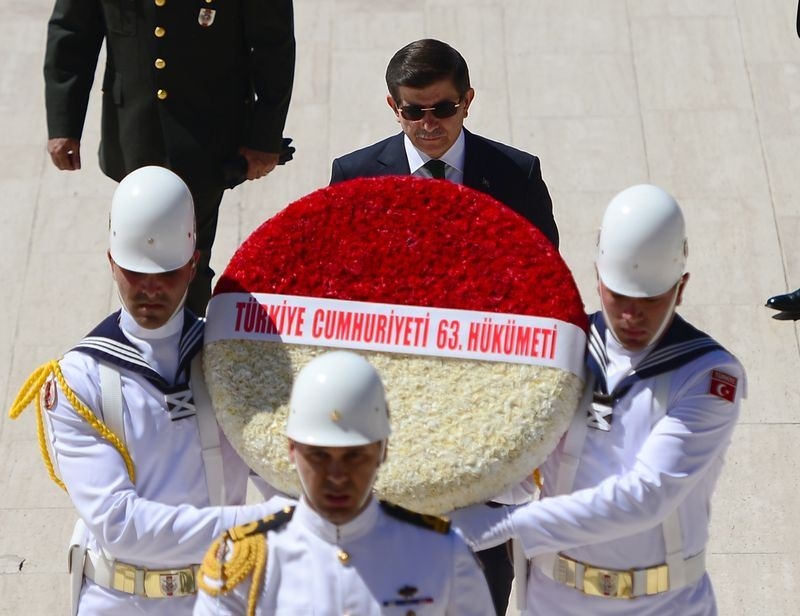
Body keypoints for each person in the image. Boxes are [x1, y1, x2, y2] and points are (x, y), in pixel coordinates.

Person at [449, 184, 746, 615]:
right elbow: (526, 472)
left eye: (649, 300)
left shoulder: (707, 375)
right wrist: (459, 485)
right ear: (598, 277)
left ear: (680, 288)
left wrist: (505, 523)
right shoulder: (564, 347)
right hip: (554, 599)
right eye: (618, 295)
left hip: (662, 604)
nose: (630, 315)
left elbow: (646, 496)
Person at [8, 166, 291, 615]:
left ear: (194, 264)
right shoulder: (77, 380)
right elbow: (120, 525)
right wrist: (259, 521)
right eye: (135, 272)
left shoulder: (232, 364)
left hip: (221, 595)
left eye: (167, 272)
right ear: (111, 262)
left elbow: (285, 477)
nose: (150, 288)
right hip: (118, 602)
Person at [193, 350, 495, 615]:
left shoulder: (440, 553)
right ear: (292, 450)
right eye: (319, 456)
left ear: (383, 450)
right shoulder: (243, 564)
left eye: (354, 456)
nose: (337, 475)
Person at [44, 0, 296, 314]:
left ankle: (188, 339)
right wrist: (64, 122)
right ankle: (143, 338)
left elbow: (273, 43)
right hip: (133, 128)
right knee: (134, 257)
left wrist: (264, 137)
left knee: (188, 259)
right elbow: (73, 29)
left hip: (206, 133)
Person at [330, 38, 559, 249]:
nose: (429, 125)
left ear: (466, 101)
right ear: (395, 108)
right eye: (414, 112)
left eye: (443, 109)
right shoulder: (354, 177)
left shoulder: (518, 175)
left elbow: (545, 267)